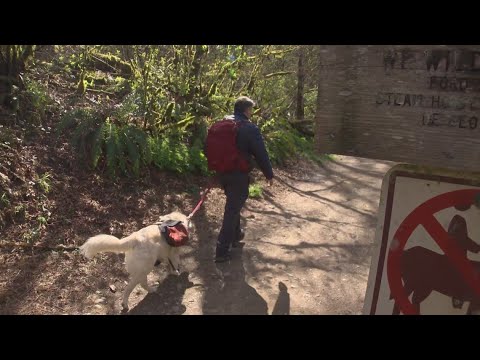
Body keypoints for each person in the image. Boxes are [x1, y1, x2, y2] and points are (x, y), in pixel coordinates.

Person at [212, 96, 274, 263]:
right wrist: (269, 174)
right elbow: (261, 153)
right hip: (238, 174)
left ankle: (236, 235)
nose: (251, 113)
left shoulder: (221, 124)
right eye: (251, 110)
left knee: (234, 203)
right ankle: (221, 251)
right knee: (232, 209)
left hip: (222, 172)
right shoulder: (249, 128)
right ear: (247, 110)